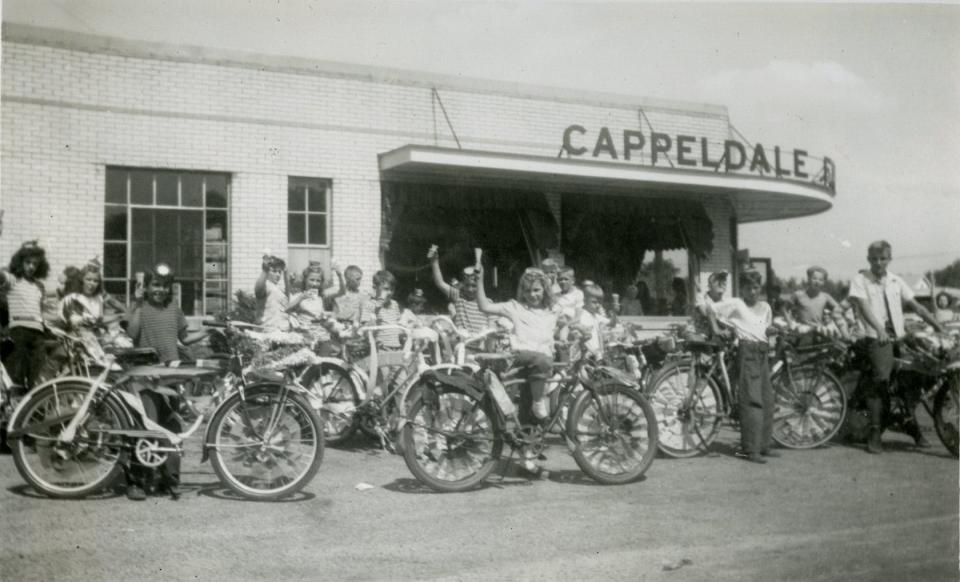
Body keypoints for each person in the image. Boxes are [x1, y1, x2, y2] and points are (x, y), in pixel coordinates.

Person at [847, 240, 943, 453]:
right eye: (874, 259)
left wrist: (937, 326)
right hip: (875, 337)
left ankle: (908, 420)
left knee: (924, 371)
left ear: (890, 259)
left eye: (883, 259)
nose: (878, 263)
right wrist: (879, 329)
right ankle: (874, 431)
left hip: (898, 336)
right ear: (868, 259)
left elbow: (916, 306)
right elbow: (863, 308)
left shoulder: (895, 281)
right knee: (880, 381)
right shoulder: (860, 280)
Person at [124, 263, 209, 500]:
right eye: (155, 285)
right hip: (146, 374)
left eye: (164, 286)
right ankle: (137, 481)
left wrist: (207, 332)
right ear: (147, 286)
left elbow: (184, 337)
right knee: (148, 426)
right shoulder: (140, 306)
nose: (160, 290)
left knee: (172, 426)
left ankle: (168, 479)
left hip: (170, 375)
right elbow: (131, 333)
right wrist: (137, 302)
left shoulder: (174, 308)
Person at [475, 262, 558, 424]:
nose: (532, 295)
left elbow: (565, 323)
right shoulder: (515, 307)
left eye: (536, 290)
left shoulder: (552, 310)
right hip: (521, 358)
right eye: (527, 291)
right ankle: (539, 405)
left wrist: (578, 330)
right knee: (541, 361)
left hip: (540, 366)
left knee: (528, 409)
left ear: (545, 290)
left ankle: (527, 438)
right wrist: (480, 280)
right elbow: (484, 306)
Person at [710, 270, 777, 464]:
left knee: (767, 399)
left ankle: (764, 445)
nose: (753, 292)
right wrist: (716, 328)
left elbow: (764, 329)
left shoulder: (765, 307)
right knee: (752, 400)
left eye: (756, 287)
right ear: (743, 290)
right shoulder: (737, 304)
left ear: (760, 288)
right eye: (749, 288)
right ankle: (751, 449)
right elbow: (709, 309)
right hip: (747, 352)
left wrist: (773, 331)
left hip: (763, 352)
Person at [0, 241, 50, 392]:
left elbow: (40, 311)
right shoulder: (13, 280)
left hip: (38, 334)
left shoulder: (39, 286)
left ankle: (34, 413)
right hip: (18, 333)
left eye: (35, 264)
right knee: (17, 376)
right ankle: (14, 412)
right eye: (28, 262)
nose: (31, 267)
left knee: (39, 378)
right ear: (19, 262)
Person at [59, 259, 127, 361]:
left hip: (96, 337)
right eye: (88, 279)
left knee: (121, 347)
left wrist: (122, 314)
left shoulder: (98, 299)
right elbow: (79, 321)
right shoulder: (73, 298)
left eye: (95, 281)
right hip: (78, 339)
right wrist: (117, 316)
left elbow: (100, 318)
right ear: (82, 280)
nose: (92, 283)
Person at [428, 245, 490, 335]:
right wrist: (434, 261)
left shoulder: (487, 303)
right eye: (467, 285)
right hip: (463, 344)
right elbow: (440, 283)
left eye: (474, 286)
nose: (470, 289)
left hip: (481, 346)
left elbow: (492, 326)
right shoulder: (459, 297)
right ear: (462, 284)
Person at [786, 266, 848, 337]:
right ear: (808, 279)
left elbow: (839, 309)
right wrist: (791, 323)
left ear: (824, 282)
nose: (817, 282)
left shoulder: (825, 297)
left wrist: (829, 319)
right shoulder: (798, 295)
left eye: (820, 280)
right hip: (801, 331)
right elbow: (784, 309)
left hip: (818, 332)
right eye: (814, 278)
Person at [287, 261, 344, 332]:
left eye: (318, 281)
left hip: (320, 331)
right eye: (312, 280)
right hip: (304, 332)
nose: (314, 284)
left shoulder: (321, 296)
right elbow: (286, 309)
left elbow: (342, 292)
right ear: (305, 280)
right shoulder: (299, 295)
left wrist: (339, 275)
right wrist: (301, 298)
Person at [255, 254, 291, 332]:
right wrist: (264, 271)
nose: (278, 274)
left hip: (281, 330)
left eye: (279, 272)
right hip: (267, 330)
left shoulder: (278, 289)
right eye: (274, 271)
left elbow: (287, 301)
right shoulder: (266, 285)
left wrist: (285, 275)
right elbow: (258, 290)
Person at [692, 270, 728, 338]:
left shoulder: (726, 302)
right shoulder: (702, 297)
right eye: (717, 280)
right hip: (700, 337)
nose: (721, 283)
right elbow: (705, 313)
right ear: (709, 285)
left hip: (719, 339)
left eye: (724, 280)